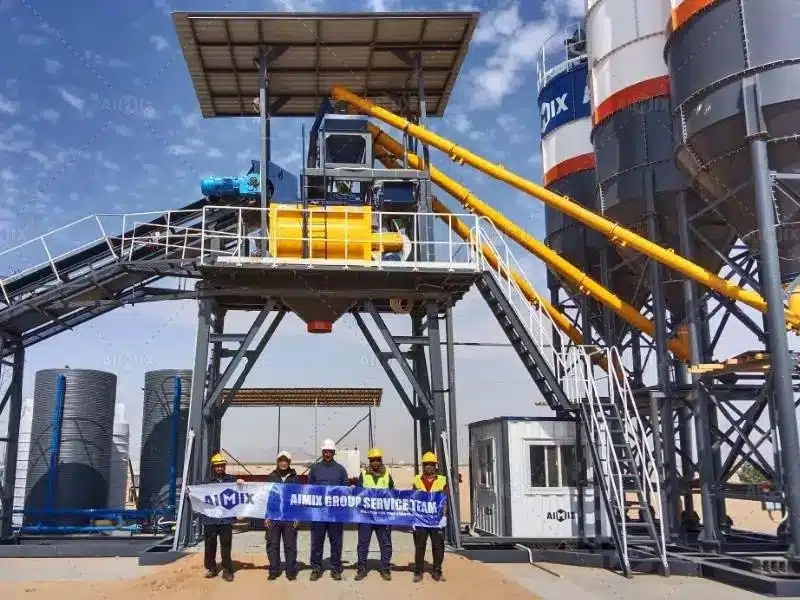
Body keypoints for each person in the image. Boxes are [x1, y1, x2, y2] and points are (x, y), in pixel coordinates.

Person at [307, 438, 350, 581]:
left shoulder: (341, 470)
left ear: (333, 453)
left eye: (330, 452)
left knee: (336, 542)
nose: (327, 454)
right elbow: (309, 489)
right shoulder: (315, 469)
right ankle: (316, 568)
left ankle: (335, 568)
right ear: (322, 452)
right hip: (319, 513)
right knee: (317, 542)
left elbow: (346, 490)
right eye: (325, 451)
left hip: (335, 514)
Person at [202, 453, 245, 581]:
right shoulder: (206, 483)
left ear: (224, 466)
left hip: (226, 520)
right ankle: (211, 568)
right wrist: (190, 493)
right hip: (210, 519)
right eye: (217, 466)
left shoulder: (231, 481)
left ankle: (227, 570)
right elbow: (198, 497)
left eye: (221, 466)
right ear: (213, 467)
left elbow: (240, 496)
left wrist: (241, 484)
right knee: (210, 545)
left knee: (226, 545)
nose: (220, 468)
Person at [354, 447, 394, 581]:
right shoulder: (363, 475)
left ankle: (385, 569)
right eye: (373, 460)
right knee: (363, 543)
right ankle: (361, 569)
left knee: (385, 544)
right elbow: (358, 494)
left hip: (383, 517)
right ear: (370, 461)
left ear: (381, 461)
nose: (375, 462)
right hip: (366, 516)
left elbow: (393, 494)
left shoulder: (387, 475)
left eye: (377, 460)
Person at [411, 451, 448, 582]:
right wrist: (413, 518)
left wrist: (444, 516)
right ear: (423, 466)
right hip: (421, 520)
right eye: (426, 464)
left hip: (436, 520)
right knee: (420, 546)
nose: (429, 466)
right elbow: (413, 500)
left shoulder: (442, 480)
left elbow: (445, 500)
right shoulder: (416, 480)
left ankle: (437, 571)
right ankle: (418, 572)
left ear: (435, 466)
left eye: (432, 464)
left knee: (438, 546)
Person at [265, 450, 299, 581]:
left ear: (289, 463)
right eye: (281, 461)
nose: (283, 463)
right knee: (272, 545)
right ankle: (274, 570)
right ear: (278, 462)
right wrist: (267, 516)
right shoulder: (271, 477)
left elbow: (298, 499)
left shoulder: (295, 478)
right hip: (274, 517)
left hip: (289, 517)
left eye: (286, 461)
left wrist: (297, 516)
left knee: (290, 546)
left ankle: (291, 571)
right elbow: (267, 498)